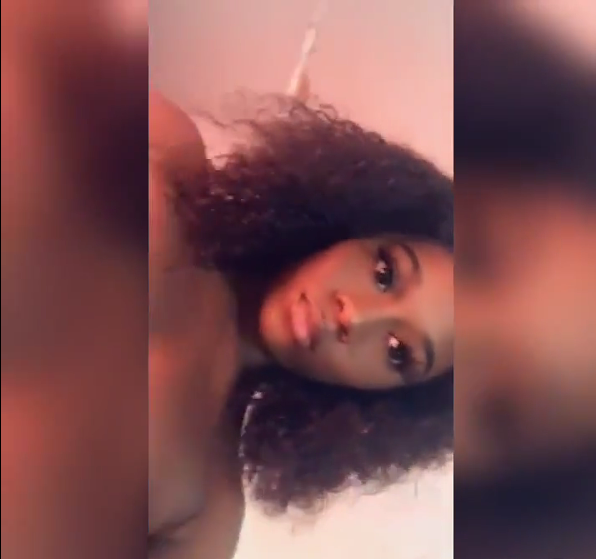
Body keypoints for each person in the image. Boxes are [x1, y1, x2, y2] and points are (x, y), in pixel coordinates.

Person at [149, 85, 453, 557]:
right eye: (384, 272)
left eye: (399, 352)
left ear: (385, 400)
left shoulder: (203, 514)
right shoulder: (167, 152)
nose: (356, 317)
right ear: (360, 223)